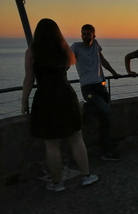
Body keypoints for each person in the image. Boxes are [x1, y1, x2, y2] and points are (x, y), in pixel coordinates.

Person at [21, 19, 98, 191]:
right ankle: (86, 176)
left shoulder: (32, 52)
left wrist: (24, 101)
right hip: (66, 95)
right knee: (77, 138)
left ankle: (58, 183)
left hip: (45, 98)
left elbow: (28, 80)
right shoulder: (65, 51)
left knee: (51, 144)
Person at [71, 24, 121, 161]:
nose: (86, 36)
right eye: (83, 34)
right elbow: (66, 60)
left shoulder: (96, 45)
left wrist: (114, 73)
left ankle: (106, 150)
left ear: (94, 35)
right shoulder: (76, 47)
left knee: (105, 119)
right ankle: (84, 106)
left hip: (101, 86)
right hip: (88, 88)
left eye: (88, 34)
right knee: (106, 111)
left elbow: (102, 60)